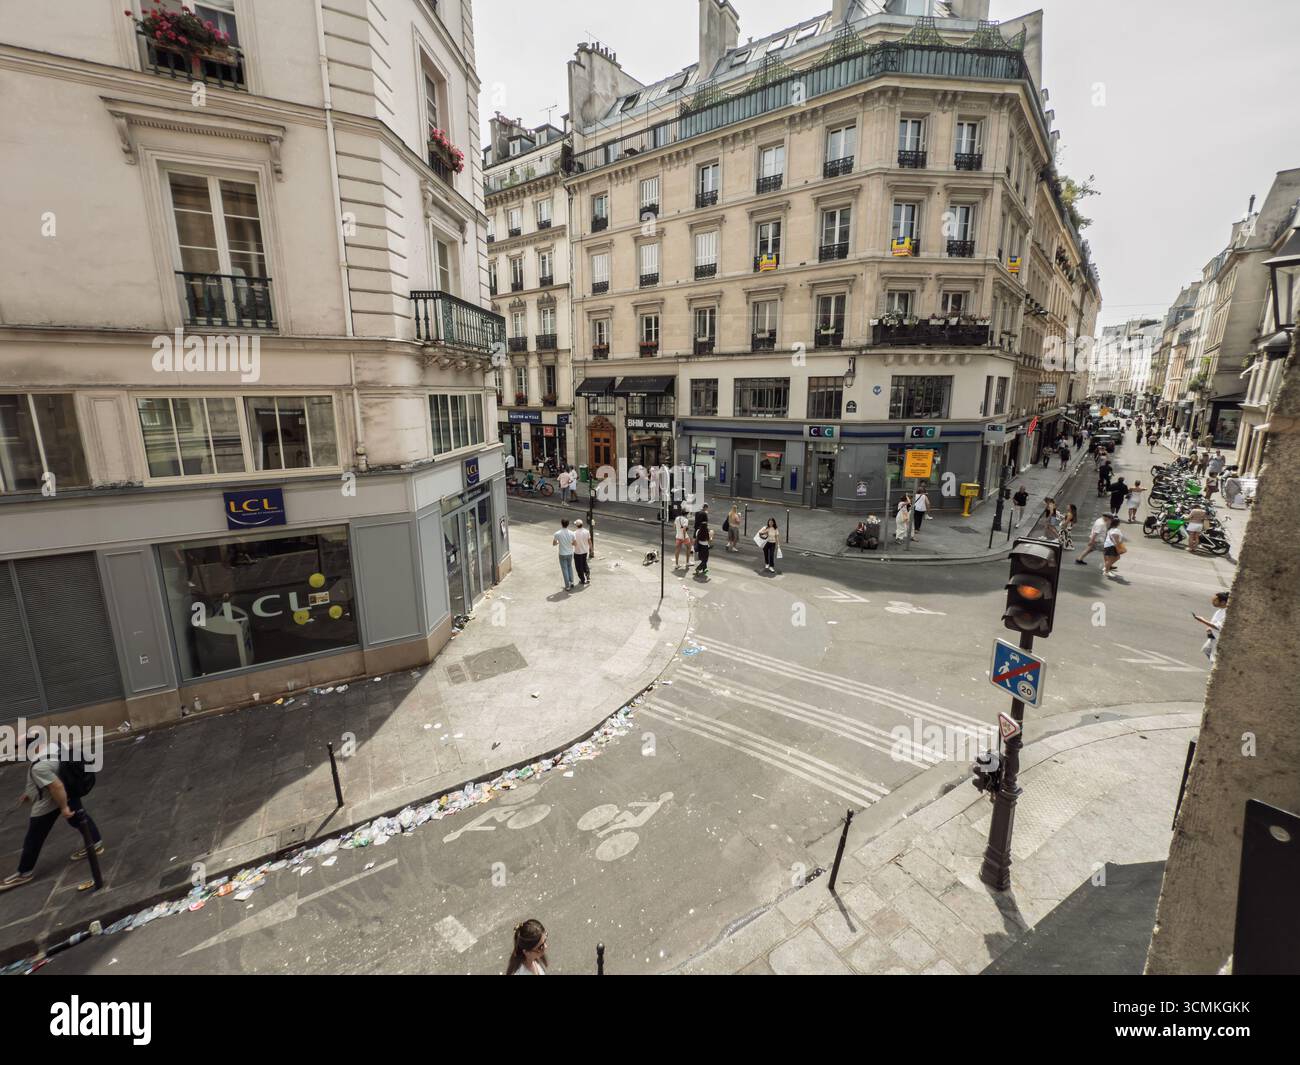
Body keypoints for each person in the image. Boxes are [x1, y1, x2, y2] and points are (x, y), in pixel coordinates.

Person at [0, 733, 103, 894]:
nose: (17, 751)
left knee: (34, 836)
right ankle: (95, 843)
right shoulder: (56, 745)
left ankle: (24, 872)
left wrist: (63, 807)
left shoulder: (39, 765)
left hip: (50, 801)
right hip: (70, 787)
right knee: (78, 818)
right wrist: (30, 792)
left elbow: (57, 787)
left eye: (18, 747)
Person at [1193, 592, 1229, 663]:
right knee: (1206, 650)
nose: (1213, 601)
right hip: (1213, 636)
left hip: (1218, 639)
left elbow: (1218, 627)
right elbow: (1214, 623)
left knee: (1214, 659)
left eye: (1216, 600)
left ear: (1223, 602)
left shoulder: (1225, 613)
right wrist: (1209, 628)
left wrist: (1202, 620)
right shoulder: (1220, 611)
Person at [552, 518, 576, 590]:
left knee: (564, 569)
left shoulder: (557, 533)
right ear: (568, 524)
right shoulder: (572, 533)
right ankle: (572, 582)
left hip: (562, 553)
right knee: (570, 567)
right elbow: (575, 543)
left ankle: (567, 586)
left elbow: (554, 543)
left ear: (561, 524)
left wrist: (559, 542)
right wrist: (569, 543)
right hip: (570, 553)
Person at [572, 518, 591, 585]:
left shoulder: (574, 533)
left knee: (578, 566)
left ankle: (582, 579)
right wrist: (591, 549)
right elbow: (589, 541)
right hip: (585, 551)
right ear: (582, 524)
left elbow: (573, 543)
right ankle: (587, 575)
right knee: (584, 563)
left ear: (577, 526)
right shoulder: (587, 531)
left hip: (577, 552)